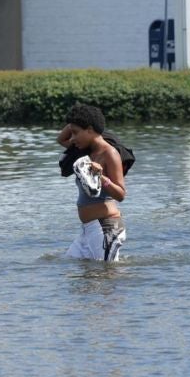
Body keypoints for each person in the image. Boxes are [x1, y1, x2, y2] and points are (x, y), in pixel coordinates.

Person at [57, 104, 127, 261]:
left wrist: (101, 177)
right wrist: (76, 120)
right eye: (71, 132)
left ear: (89, 129)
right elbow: (61, 139)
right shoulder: (84, 150)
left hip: (106, 227)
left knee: (107, 277)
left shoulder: (110, 153)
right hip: (88, 229)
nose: (72, 138)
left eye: (75, 133)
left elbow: (121, 194)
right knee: (76, 273)